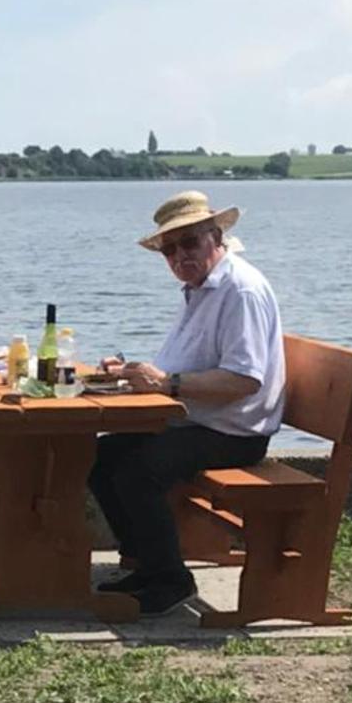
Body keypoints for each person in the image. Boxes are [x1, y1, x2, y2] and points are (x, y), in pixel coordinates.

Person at [88, 191, 285, 616]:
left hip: (235, 431)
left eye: (189, 243)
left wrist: (168, 384)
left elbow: (244, 380)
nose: (179, 256)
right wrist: (130, 373)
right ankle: (145, 564)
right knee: (98, 456)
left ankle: (171, 581)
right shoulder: (202, 289)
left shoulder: (240, 290)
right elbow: (184, 366)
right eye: (169, 249)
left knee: (137, 470)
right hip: (198, 419)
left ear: (216, 237)